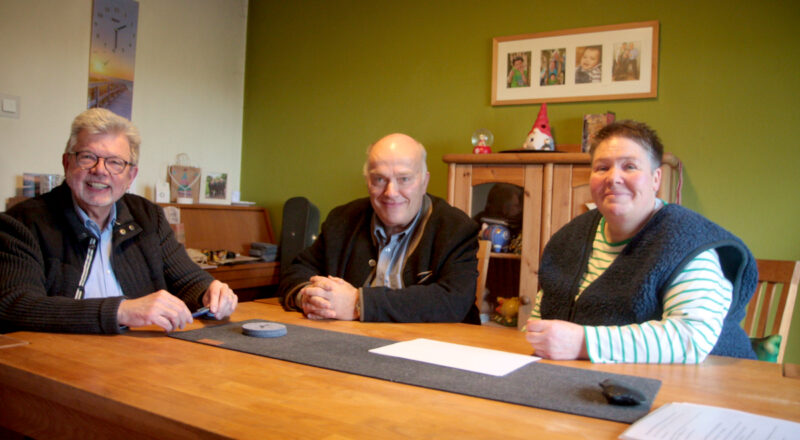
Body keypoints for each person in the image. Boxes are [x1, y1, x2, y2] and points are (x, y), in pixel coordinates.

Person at [525, 120, 757, 363]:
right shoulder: (569, 238)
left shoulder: (688, 242)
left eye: (630, 166)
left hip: (710, 378)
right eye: (602, 168)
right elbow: (543, 315)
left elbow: (691, 337)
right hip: (591, 376)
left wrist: (583, 343)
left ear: (656, 179)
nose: (613, 178)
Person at [0, 108, 238, 334]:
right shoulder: (22, 223)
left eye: (115, 162)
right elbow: (14, 305)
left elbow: (188, 280)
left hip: (141, 353)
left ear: (130, 176)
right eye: (88, 157)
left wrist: (210, 291)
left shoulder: (148, 217)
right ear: (67, 163)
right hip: (58, 355)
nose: (100, 170)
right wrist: (120, 311)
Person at [279, 133, 481, 324]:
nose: (390, 192)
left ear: (424, 182)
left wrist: (358, 303)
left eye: (404, 179)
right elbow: (297, 270)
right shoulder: (341, 220)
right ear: (368, 181)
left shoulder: (456, 228)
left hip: (434, 344)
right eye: (379, 179)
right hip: (350, 340)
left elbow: (454, 300)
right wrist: (310, 297)